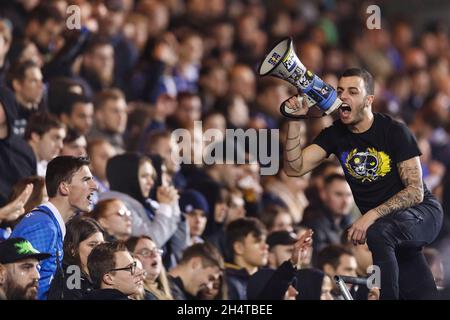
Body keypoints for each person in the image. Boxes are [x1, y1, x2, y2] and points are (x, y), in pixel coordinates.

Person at [283, 67, 443, 299]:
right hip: (390, 232)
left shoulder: (394, 131)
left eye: (352, 91)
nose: (343, 96)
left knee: (379, 232)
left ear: (369, 100)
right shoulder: (335, 134)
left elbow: (415, 192)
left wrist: (370, 216)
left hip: (421, 213)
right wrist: (295, 121)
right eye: (340, 91)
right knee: (423, 293)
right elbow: (294, 168)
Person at [11, 156, 97, 299]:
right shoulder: (43, 226)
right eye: (86, 180)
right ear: (64, 187)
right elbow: (23, 288)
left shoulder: (51, 224)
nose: (95, 185)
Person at [48, 216, 105, 300]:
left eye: (102, 244)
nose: (100, 250)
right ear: (72, 249)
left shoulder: (99, 275)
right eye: (92, 245)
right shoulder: (72, 273)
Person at [225, 217, 269, 300]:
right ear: (239, 248)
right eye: (257, 241)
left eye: (265, 241)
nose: (265, 246)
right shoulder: (228, 283)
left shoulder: (267, 278)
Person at [126, 235, 173, 300]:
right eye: (146, 252)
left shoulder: (172, 287)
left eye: (156, 250)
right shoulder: (140, 296)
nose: (154, 255)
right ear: (132, 259)